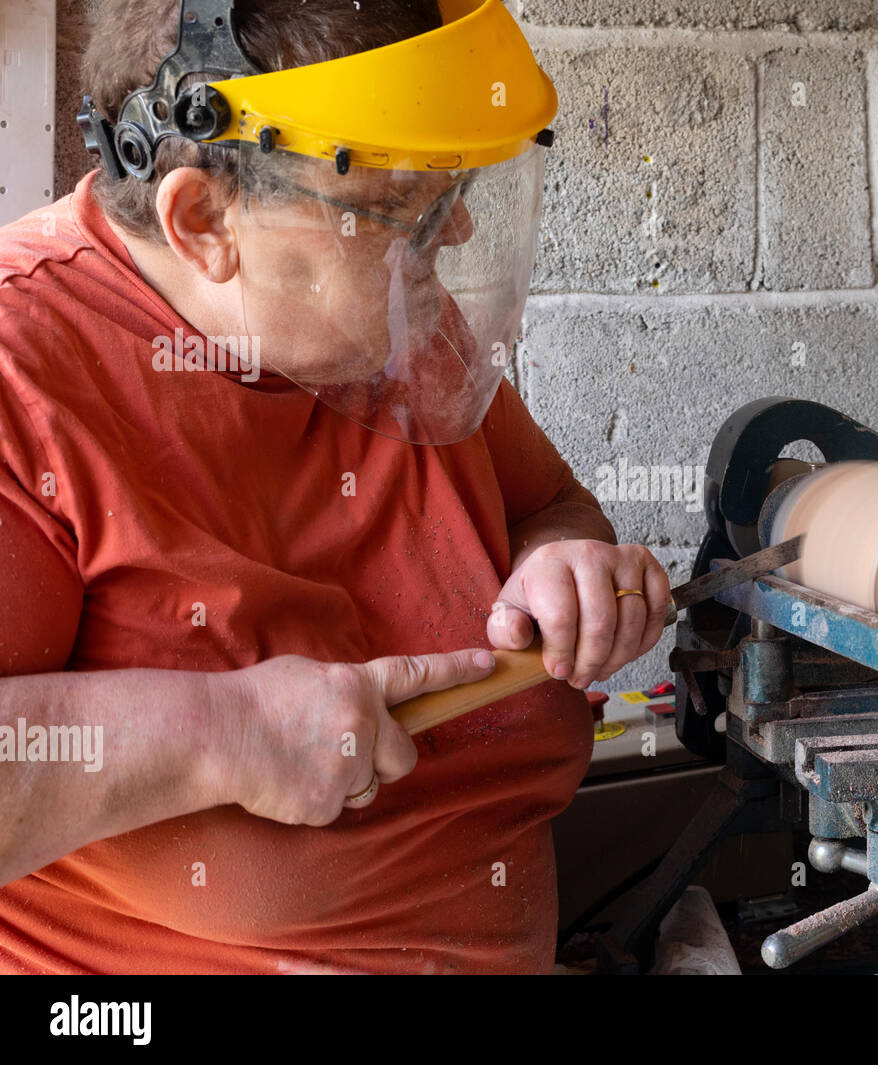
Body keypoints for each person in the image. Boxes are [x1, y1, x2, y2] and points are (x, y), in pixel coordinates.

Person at [0, 0, 670, 974]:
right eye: (414, 208)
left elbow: (548, 509)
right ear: (204, 221)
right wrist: (224, 736)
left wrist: (561, 562)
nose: (461, 228)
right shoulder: (27, 375)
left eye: (456, 190)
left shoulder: (386, 322)